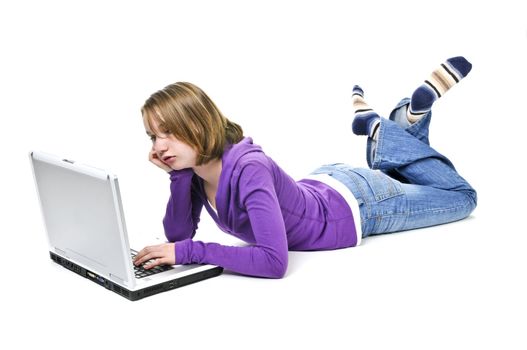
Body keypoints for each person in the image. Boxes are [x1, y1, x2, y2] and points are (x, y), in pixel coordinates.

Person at [133, 56, 477, 278]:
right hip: (328, 183)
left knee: (462, 197)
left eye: (169, 133)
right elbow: (178, 238)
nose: (159, 146)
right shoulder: (194, 171)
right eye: (153, 136)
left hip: (361, 205)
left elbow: (273, 262)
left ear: (197, 123)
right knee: (400, 171)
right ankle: (405, 122)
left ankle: (383, 129)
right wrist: (177, 177)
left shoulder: (249, 168)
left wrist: (191, 252)